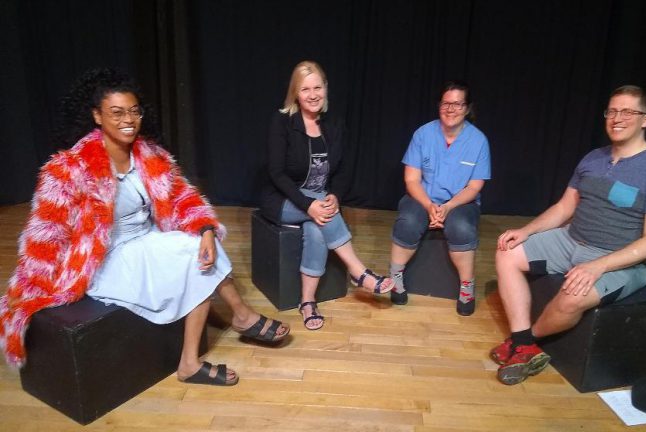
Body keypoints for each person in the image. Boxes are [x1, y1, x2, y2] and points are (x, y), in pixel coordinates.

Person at [0, 68, 289, 386]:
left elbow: (183, 198)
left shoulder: (150, 155)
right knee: (191, 255)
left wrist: (206, 228)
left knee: (201, 247)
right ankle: (228, 329)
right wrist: (30, 289)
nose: (129, 120)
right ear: (97, 116)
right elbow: (45, 234)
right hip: (107, 258)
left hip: (149, 241)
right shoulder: (69, 169)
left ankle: (216, 337)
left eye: (134, 111)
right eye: (117, 113)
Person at [492, 85, 646, 385]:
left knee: (571, 298)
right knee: (507, 251)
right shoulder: (593, 158)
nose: (617, 118)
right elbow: (565, 206)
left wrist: (599, 265)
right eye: (612, 111)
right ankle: (522, 341)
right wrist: (525, 231)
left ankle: (526, 339)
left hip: (621, 261)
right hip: (570, 239)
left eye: (627, 111)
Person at [260, 60, 394, 330]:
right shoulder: (282, 122)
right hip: (284, 199)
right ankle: (358, 272)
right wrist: (308, 204)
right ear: (295, 93)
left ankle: (307, 302)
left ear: (325, 89)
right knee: (320, 215)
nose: (312, 94)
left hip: (320, 199)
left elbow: (342, 170)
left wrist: (335, 195)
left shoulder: (334, 124)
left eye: (317, 87)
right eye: (305, 89)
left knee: (317, 226)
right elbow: (277, 174)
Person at [389, 81, 491, 316]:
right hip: (422, 198)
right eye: (446, 103)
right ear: (439, 105)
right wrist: (428, 205)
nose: (451, 109)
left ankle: (467, 287)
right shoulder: (423, 134)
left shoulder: (478, 141)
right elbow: (412, 180)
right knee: (408, 221)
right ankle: (395, 277)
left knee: (461, 226)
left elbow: (475, 186)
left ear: (467, 108)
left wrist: (448, 207)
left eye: (457, 104)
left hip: (460, 202)